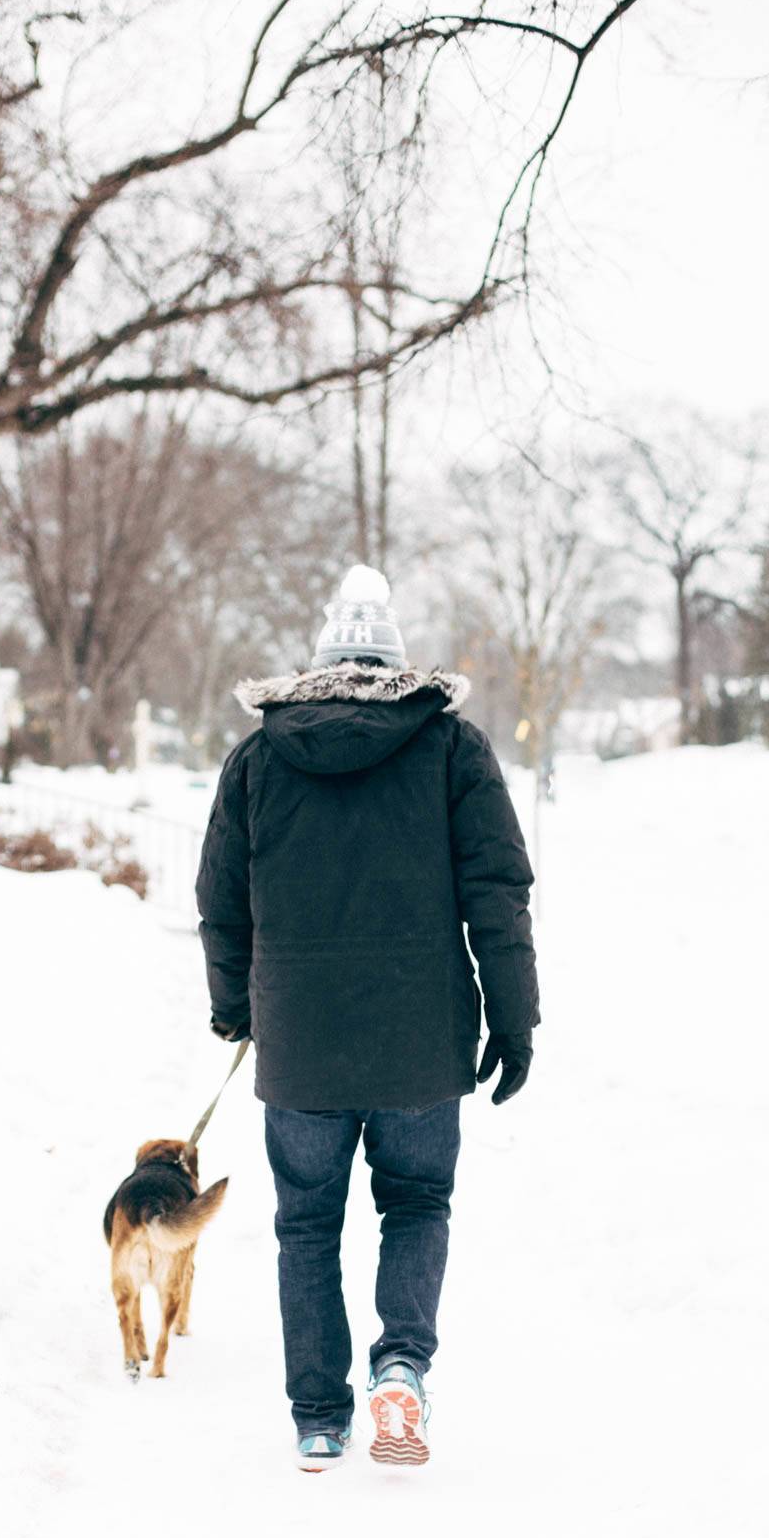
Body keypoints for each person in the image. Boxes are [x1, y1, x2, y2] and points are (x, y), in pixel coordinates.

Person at [195, 564, 539, 1472]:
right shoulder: (450, 749)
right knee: (417, 1202)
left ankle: (318, 1417)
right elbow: (497, 893)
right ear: (395, 658)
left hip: (301, 1042)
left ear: (319, 662)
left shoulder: (260, 758)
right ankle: (401, 1365)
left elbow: (221, 902)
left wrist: (236, 1009)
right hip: (422, 1042)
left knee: (306, 1224)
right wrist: (515, 1019)